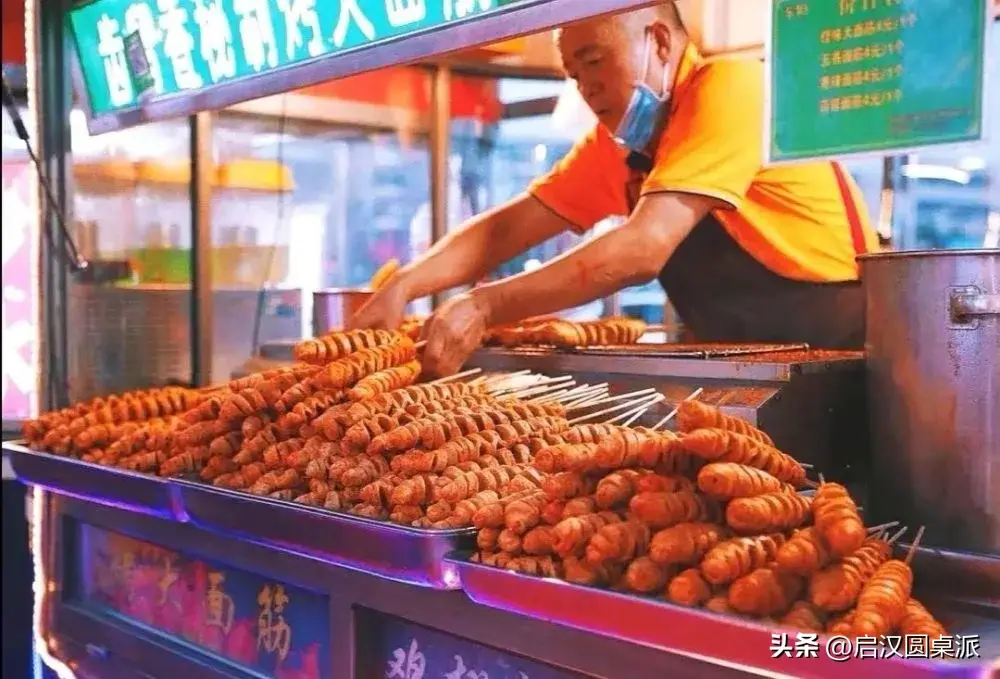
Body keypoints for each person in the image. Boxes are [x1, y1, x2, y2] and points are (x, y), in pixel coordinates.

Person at [351, 2, 879, 376]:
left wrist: (483, 307)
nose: (586, 86)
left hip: (845, 364)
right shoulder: (626, 142)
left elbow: (644, 247)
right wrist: (406, 285)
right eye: (573, 72)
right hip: (753, 376)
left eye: (595, 60)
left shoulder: (732, 85)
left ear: (659, 41)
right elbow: (509, 228)